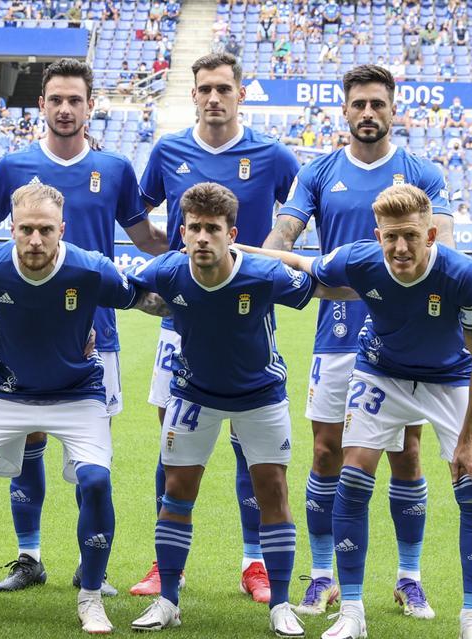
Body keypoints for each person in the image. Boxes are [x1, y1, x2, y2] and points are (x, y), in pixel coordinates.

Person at [0, 58, 168, 594]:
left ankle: (91, 569)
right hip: (25, 329)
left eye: (76, 100)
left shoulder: (115, 168)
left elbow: (148, 241)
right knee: (28, 438)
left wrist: (212, 256)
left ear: (91, 106)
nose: (65, 109)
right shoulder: (15, 165)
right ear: (41, 105)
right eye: (56, 100)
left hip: (97, 333)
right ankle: (29, 554)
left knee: (92, 458)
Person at [250, 183, 472, 639]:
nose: (400, 248)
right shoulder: (360, 260)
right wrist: (240, 254)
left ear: (430, 235)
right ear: (377, 235)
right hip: (381, 371)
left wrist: (468, 439)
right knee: (352, 476)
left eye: (410, 236)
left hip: (451, 379)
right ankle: (352, 612)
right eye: (391, 237)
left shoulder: (464, 274)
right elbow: (304, 265)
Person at [267, 64, 455, 618]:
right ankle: (322, 574)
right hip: (337, 338)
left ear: (393, 110)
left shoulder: (424, 173)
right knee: (326, 452)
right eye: (359, 105)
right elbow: (285, 235)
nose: (368, 113)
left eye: (378, 104)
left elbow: (443, 244)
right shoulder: (319, 172)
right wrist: (261, 262)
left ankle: (409, 577)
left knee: (407, 453)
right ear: (344, 111)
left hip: (404, 339)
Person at [0, 182, 164, 632]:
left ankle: (91, 598)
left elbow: (144, 298)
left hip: (76, 394)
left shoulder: (91, 269)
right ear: (11, 229)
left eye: (45, 229)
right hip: (5, 392)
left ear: (62, 229)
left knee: (96, 481)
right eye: (25, 229)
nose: (35, 240)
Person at [125, 180, 345, 636]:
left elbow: (323, 290)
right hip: (192, 393)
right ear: (181, 232)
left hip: (260, 396)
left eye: (212, 229)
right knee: (176, 493)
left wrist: (387, 288)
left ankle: (280, 604)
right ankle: (168, 599)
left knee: (273, 491)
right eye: (194, 228)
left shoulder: (263, 275)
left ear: (232, 233)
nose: (202, 237)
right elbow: (117, 291)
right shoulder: (167, 270)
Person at [133, 52, 300, 600]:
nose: (213, 98)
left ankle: (254, 562)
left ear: (240, 93)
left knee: (250, 452)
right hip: (182, 321)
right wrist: (171, 265)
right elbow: (137, 218)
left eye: (223, 88)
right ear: (193, 93)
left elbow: (299, 213)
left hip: (248, 320)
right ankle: (165, 569)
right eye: (204, 89)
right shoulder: (168, 150)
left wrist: (265, 260)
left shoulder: (271, 155)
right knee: (173, 443)